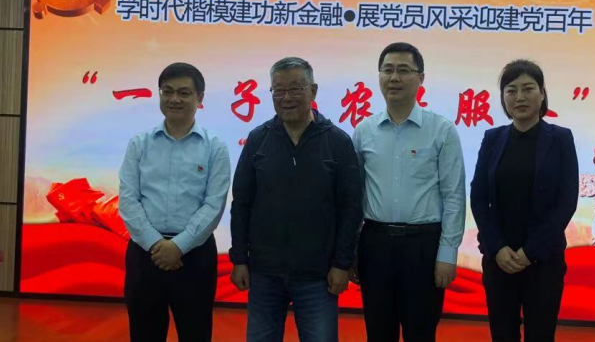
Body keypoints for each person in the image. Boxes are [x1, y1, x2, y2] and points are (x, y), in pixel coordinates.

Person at [229, 57, 362, 342]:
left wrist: (342, 264)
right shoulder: (258, 140)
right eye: (278, 90)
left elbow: (351, 208)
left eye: (295, 89)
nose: (286, 98)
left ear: (313, 91)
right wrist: (239, 259)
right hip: (264, 273)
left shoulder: (337, 142)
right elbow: (241, 204)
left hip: (318, 275)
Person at [352, 42, 466, 342]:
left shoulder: (441, 130)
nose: (394, 78)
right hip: (375, 245)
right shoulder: (363, 131)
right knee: (378, 332)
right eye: (387, 70)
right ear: (379, 76)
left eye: (404, 70)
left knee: (421, 333)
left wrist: (447, 253)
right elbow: (354, 196)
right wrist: (351, 251)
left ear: (421, 78)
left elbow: (453, 196)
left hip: (423, 247)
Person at [119, 62, 231, 342]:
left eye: (184, 92)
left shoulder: (215, 147)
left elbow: (214, 205)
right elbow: (129, 199)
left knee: (195, 333)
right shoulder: (139, 144)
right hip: (145, 254)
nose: (174, 99)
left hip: (195, 256)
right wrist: (156, 244)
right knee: (144, 334)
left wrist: (178, 246)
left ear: (200, 98)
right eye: (167, 91)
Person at [470, 59, 579, 342]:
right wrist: (497, 247)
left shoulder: (561, 138)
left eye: (528, 88)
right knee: (502, 335)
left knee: (540, 335)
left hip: (543, 261)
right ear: (503, 97)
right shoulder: (492, 138)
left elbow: (567, 201)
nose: (519, 97)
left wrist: (530, 251)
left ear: (542, 94)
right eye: (511, 90)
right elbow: (479, 197)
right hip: (499, 260)